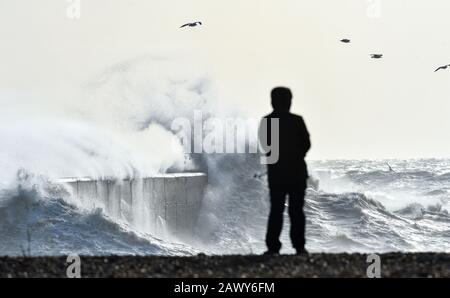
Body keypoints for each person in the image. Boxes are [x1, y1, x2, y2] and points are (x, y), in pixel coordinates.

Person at [259, 87, 311, 255]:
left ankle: (273, 248)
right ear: (288, 101)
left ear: (272, 101)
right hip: (296, 173)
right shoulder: (296, 120)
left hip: (277, 174)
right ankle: (299, 247)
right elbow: (306, 144)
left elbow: (265, 146)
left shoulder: (267, 121)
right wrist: (295, 156)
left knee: (276, 210)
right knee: (296, 211)